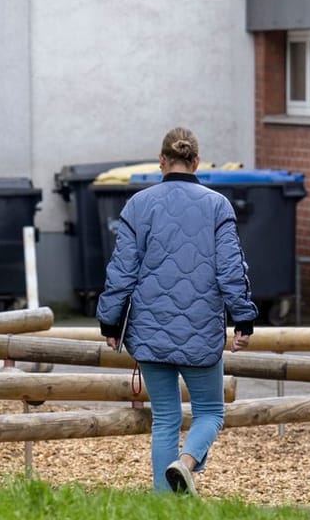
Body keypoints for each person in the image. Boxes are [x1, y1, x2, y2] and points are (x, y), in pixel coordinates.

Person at [96, 128, 257, 495]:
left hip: (149, 331)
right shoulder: (218, 205)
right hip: (201, 331)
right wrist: (243, 319)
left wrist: (110, 320)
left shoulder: (138, 205)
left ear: (162, 162)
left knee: (165, 419)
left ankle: (163, 505)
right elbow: (232, 269)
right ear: (196, 162)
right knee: (211, 413)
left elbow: (121, 269)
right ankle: (185, 464)